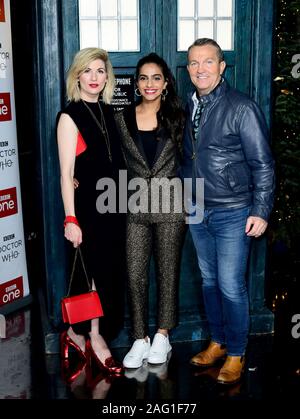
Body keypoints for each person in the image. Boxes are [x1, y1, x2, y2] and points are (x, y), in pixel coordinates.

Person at [181, 38, 275, 384]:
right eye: (193, 63)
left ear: (222, 67)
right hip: (196, 209)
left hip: (234, 210)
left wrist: (261, 210)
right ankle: (218, 342)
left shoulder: (241, 107)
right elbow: (186, 157)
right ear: (188, 69)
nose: (200, 69)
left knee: (231, 285)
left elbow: (263, 164)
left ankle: (236, 352)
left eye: (208, 62)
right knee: (209, 281)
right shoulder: (188, 106)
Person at [57, 47, 126, 377]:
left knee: (108, 276)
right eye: (88, 71)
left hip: (113, 208)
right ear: (78, 76)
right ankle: (94, 339)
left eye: (101, 71)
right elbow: (66, 173)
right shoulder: (70, 116)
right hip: (87, 212)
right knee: (93, 277)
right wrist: (71, 219)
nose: (95, 77)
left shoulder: (111, 113)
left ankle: (71, 334)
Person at [114, 53, 186, 369]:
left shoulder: (179, 115)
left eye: (156, 78)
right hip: (135, 205)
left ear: (166, 82)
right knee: (135, 273)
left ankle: (162, 335)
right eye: (143, 78)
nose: (149, 84)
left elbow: (193, 158)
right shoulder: (122, 117)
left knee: (168, 271)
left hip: (172, 206)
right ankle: (140, 337)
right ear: (136, 82)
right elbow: (112, 160)